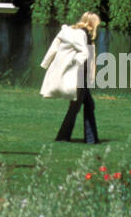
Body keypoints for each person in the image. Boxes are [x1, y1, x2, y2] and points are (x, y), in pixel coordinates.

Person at [41, 11, 100, 144]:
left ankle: (87, 139)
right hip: (78, 76)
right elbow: (85, 54)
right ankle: (68, 137)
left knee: (86, 105)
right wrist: (74, 64)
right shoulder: (82, 35)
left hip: (80, 76)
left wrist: (46, 63)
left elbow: (54, 47)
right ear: (93, 24)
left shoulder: (74, 32)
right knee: (77, 107)